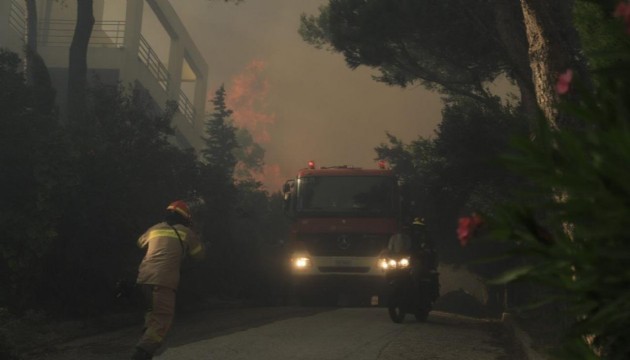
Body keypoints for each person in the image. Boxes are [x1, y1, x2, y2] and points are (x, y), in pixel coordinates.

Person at [131, 200, 206, 360]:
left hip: (143, 279)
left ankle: (145, 346)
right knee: (162, 321)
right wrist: (197, 237)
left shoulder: (155, 229)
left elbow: (139, 243)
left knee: (151, 316)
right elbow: (199, 255)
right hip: (163, 281)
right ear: (185, 218)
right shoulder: (186, 232)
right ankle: (141, 354)